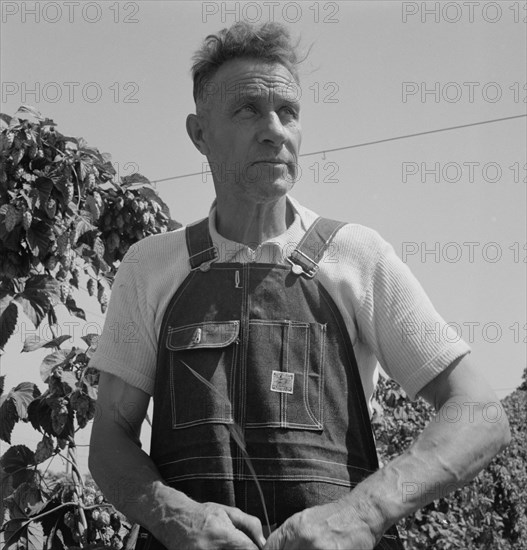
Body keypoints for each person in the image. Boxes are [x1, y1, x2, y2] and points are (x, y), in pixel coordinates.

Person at [89, 21, 510, 550]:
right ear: (200, 134)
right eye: (248, 109)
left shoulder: (357, 255)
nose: (275, 130)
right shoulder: (150, 266)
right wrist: (177, 517)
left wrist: (362, 513)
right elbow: (109, 440)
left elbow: (479, 412)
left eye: (288, 112)